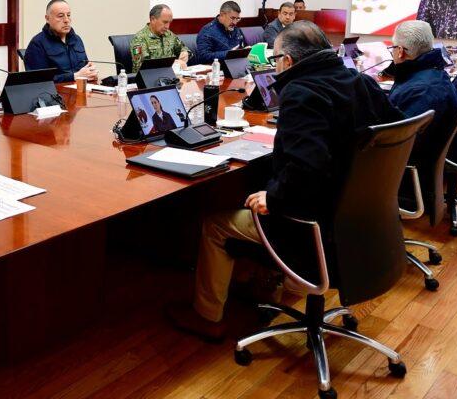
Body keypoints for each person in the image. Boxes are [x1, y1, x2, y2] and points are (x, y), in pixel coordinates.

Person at [166, 22, 402, 341]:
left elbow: (308, 167)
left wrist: (274, 198)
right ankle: (265, 287)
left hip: (315, 225)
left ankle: (207, 316)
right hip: (360, 219)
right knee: (258, 186)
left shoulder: (302, 92)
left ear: (287, 61)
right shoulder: (361, 81)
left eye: (275, 59)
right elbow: (394, 131)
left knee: (216, 225)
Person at [386, 21, 457, 208]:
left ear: (400, 51)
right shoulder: (435, 76)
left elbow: (396, 140)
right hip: (423, 164)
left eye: (392, 48)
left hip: (402, 173)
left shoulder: (421, 90)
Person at [24, 0, 98, 83]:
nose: (66, 20)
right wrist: (74, 76)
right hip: (57, 91)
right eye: (60, 16)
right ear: (47, 18)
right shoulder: (37, 44)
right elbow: (38, 80)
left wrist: (90, 72)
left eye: (68, 15)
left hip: (81, 88)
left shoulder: (76, 39)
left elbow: (84, 69)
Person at [130, 4, 189, 71]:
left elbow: (183, 48)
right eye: (165, 22)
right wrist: (172, 63)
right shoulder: (139, 39)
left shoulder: (169, 34)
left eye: (169, 22)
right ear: (153, 19)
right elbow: (141, 66)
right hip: (148, 76)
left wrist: (185, 52)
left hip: (169, 75)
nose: (167, 26)